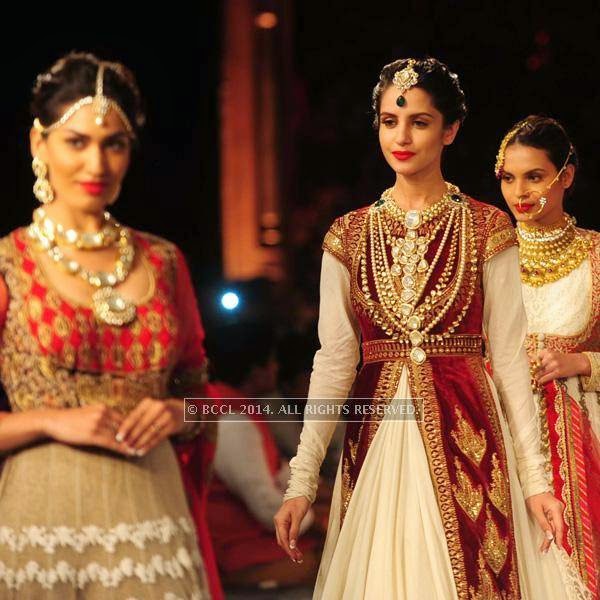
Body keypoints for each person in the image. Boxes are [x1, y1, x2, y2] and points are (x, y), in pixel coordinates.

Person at [274, 58, 590, 599]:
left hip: (470, 438)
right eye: (389, 121)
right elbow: (334, 360)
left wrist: (536, 480)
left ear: (450, 130)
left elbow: (510, 359)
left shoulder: (487, 226)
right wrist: (302, 479)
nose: (401, 136)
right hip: (376, 443)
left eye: (420, 122)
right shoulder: (347, 236)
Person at [0, 52, 220, 599]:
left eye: (113, 143)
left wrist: (178, 412)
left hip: (152, 516)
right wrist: (48, 422)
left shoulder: (164, 262)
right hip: (41, 517)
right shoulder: (8, 262)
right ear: (38, 144)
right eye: (77, 141)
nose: (96, 164)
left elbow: (203, 396)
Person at [496, 115, 600, 599]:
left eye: (534, 176)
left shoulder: (596, 255)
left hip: (582, 438)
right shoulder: (486, 255)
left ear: (567, 176)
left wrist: (582, 363)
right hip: (498, 433)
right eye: (508, 177)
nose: (519, 191)